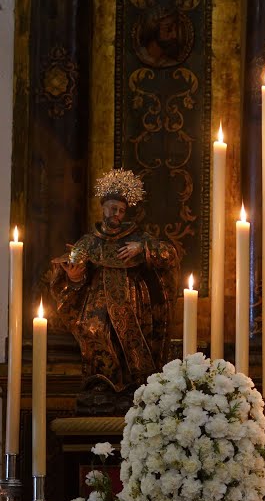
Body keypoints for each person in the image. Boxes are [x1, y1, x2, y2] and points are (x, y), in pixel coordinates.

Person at [49, 169, 180, 412]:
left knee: (130, 337)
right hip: (97, 304)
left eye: (121, 210)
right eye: (112, 208)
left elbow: (169, 254)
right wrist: (74, 275)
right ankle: (101, 384)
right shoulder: (90, 241)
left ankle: (133, 385)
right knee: (96, 331)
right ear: (103, 208)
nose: (116, 214)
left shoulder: (138, 237)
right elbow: (73, 270)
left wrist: (142, 250)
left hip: (133, 302)